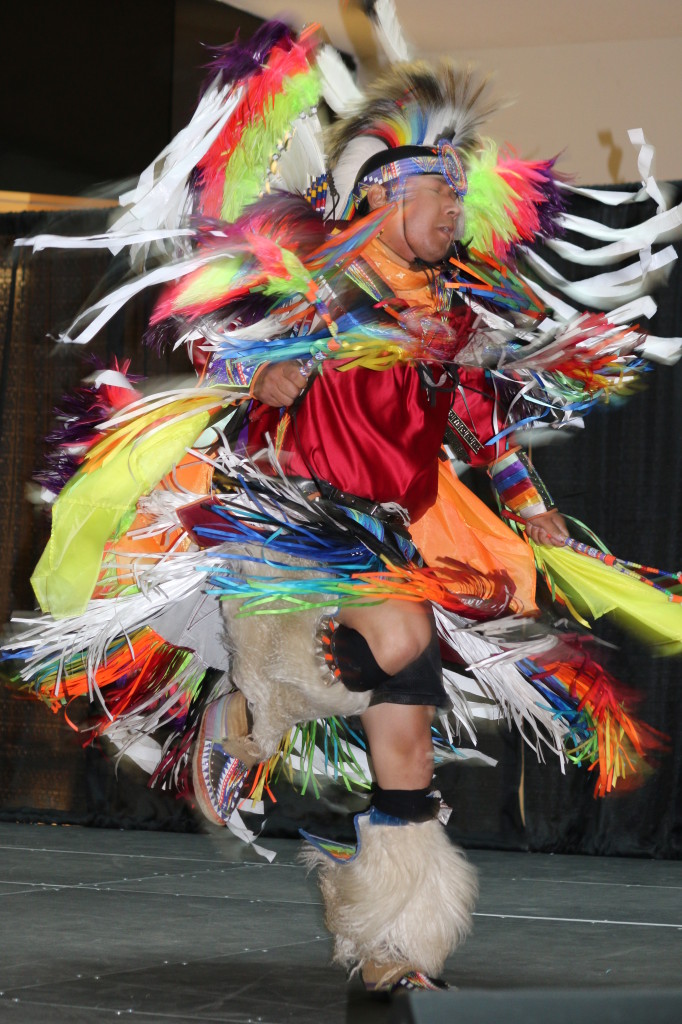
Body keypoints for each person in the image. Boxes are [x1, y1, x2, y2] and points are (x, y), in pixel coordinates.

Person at [2, 10, 678, 996]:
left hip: (385, 532)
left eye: (455, 192)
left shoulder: (451, 318)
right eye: (432, 191)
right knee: (398, 647)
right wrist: (258, 383)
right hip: (288, 521)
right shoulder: (322, 289)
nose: (452, 208)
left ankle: (392, 943)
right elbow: (224, 352)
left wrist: (529, 509)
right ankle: (245, 714)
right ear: (376, 194)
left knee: (405, 732)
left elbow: (481, 431)